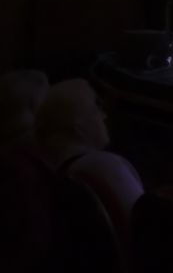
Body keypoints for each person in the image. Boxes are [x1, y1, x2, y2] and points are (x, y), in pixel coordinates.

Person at [34, 78, 144, 228]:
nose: (104, 115)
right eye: (96, 107)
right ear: (78, 127)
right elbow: (148, 228)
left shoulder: (61, 175)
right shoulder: (106, 167)